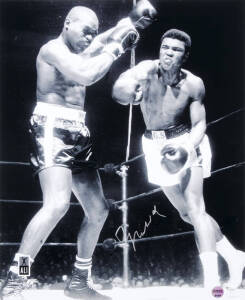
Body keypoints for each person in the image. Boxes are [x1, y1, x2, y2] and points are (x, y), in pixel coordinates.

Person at [0, 2, 157, 300]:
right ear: (68, 24)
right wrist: (116, 49)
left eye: (93, 33)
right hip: (51, 128)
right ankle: (15, 281)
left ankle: (78, 282)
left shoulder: (81, 46)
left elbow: (106, 37)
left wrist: (132, 21)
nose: (90, 37)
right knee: (56, 205)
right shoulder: (52, 50)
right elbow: (87, 75)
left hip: (77, 130)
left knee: (98, 210)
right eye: (85, 31)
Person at [112, 28, 245, 290]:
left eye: (175, 50)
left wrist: (187, 149)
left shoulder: (193, 84)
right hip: (153, 144)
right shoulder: (146, 70)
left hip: (184, 140)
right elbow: (118, 93)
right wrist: (130, 89)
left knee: (196, 209)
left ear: (185, 56)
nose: (168, 53)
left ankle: (212, 281)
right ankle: (235, 256)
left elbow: (199, 124)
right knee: (185, 213)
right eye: (165, 47)